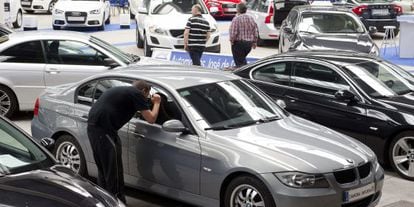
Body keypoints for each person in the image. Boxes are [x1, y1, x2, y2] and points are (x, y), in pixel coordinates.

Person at [87, 80, 161, 203]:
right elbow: (151, 119)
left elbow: (135, 107)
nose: (147, 98)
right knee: (113, 171)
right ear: (143, 91)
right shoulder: (136, 94)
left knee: (104, 170)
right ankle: (116, 202)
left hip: (95, 130)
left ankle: (104, 200)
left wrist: (147, 102)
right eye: (147, 95)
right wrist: (157, 103)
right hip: (104, 132)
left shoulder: (125, 91)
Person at [229, 2, 258, 67]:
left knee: (239, 63)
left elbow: (233, 32)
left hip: (239, 44)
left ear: (237, 10)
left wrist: (232, 41)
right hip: (248, 44)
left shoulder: (236, 19)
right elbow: (255, 31)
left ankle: (243, 74)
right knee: (242, 60)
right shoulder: (251, 18)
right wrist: (254, 42)